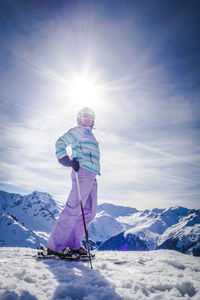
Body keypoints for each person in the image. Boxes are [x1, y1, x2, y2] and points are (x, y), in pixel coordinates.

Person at [47, 107, 100, 257]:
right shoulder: (77, 131)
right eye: (83, 116)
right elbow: (60, 143)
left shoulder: (92, 137)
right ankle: (54, 247)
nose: (86, 119)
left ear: (93, 120)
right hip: (82, 173)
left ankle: (74, 244)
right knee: (73, 209)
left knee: (89, 212)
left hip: (92, 175)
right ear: (78, 119)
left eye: (89, 116)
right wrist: (66, 160)